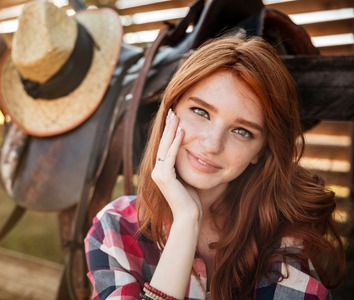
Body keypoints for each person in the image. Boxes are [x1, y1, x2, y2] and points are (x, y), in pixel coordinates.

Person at [84, 35, 345, 300]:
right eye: (200, 112)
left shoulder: (280, 231)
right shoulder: (116, 227)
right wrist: (186, 222)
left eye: (242, 131)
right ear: (169, 112)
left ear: (260, 151)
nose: (211, 145)